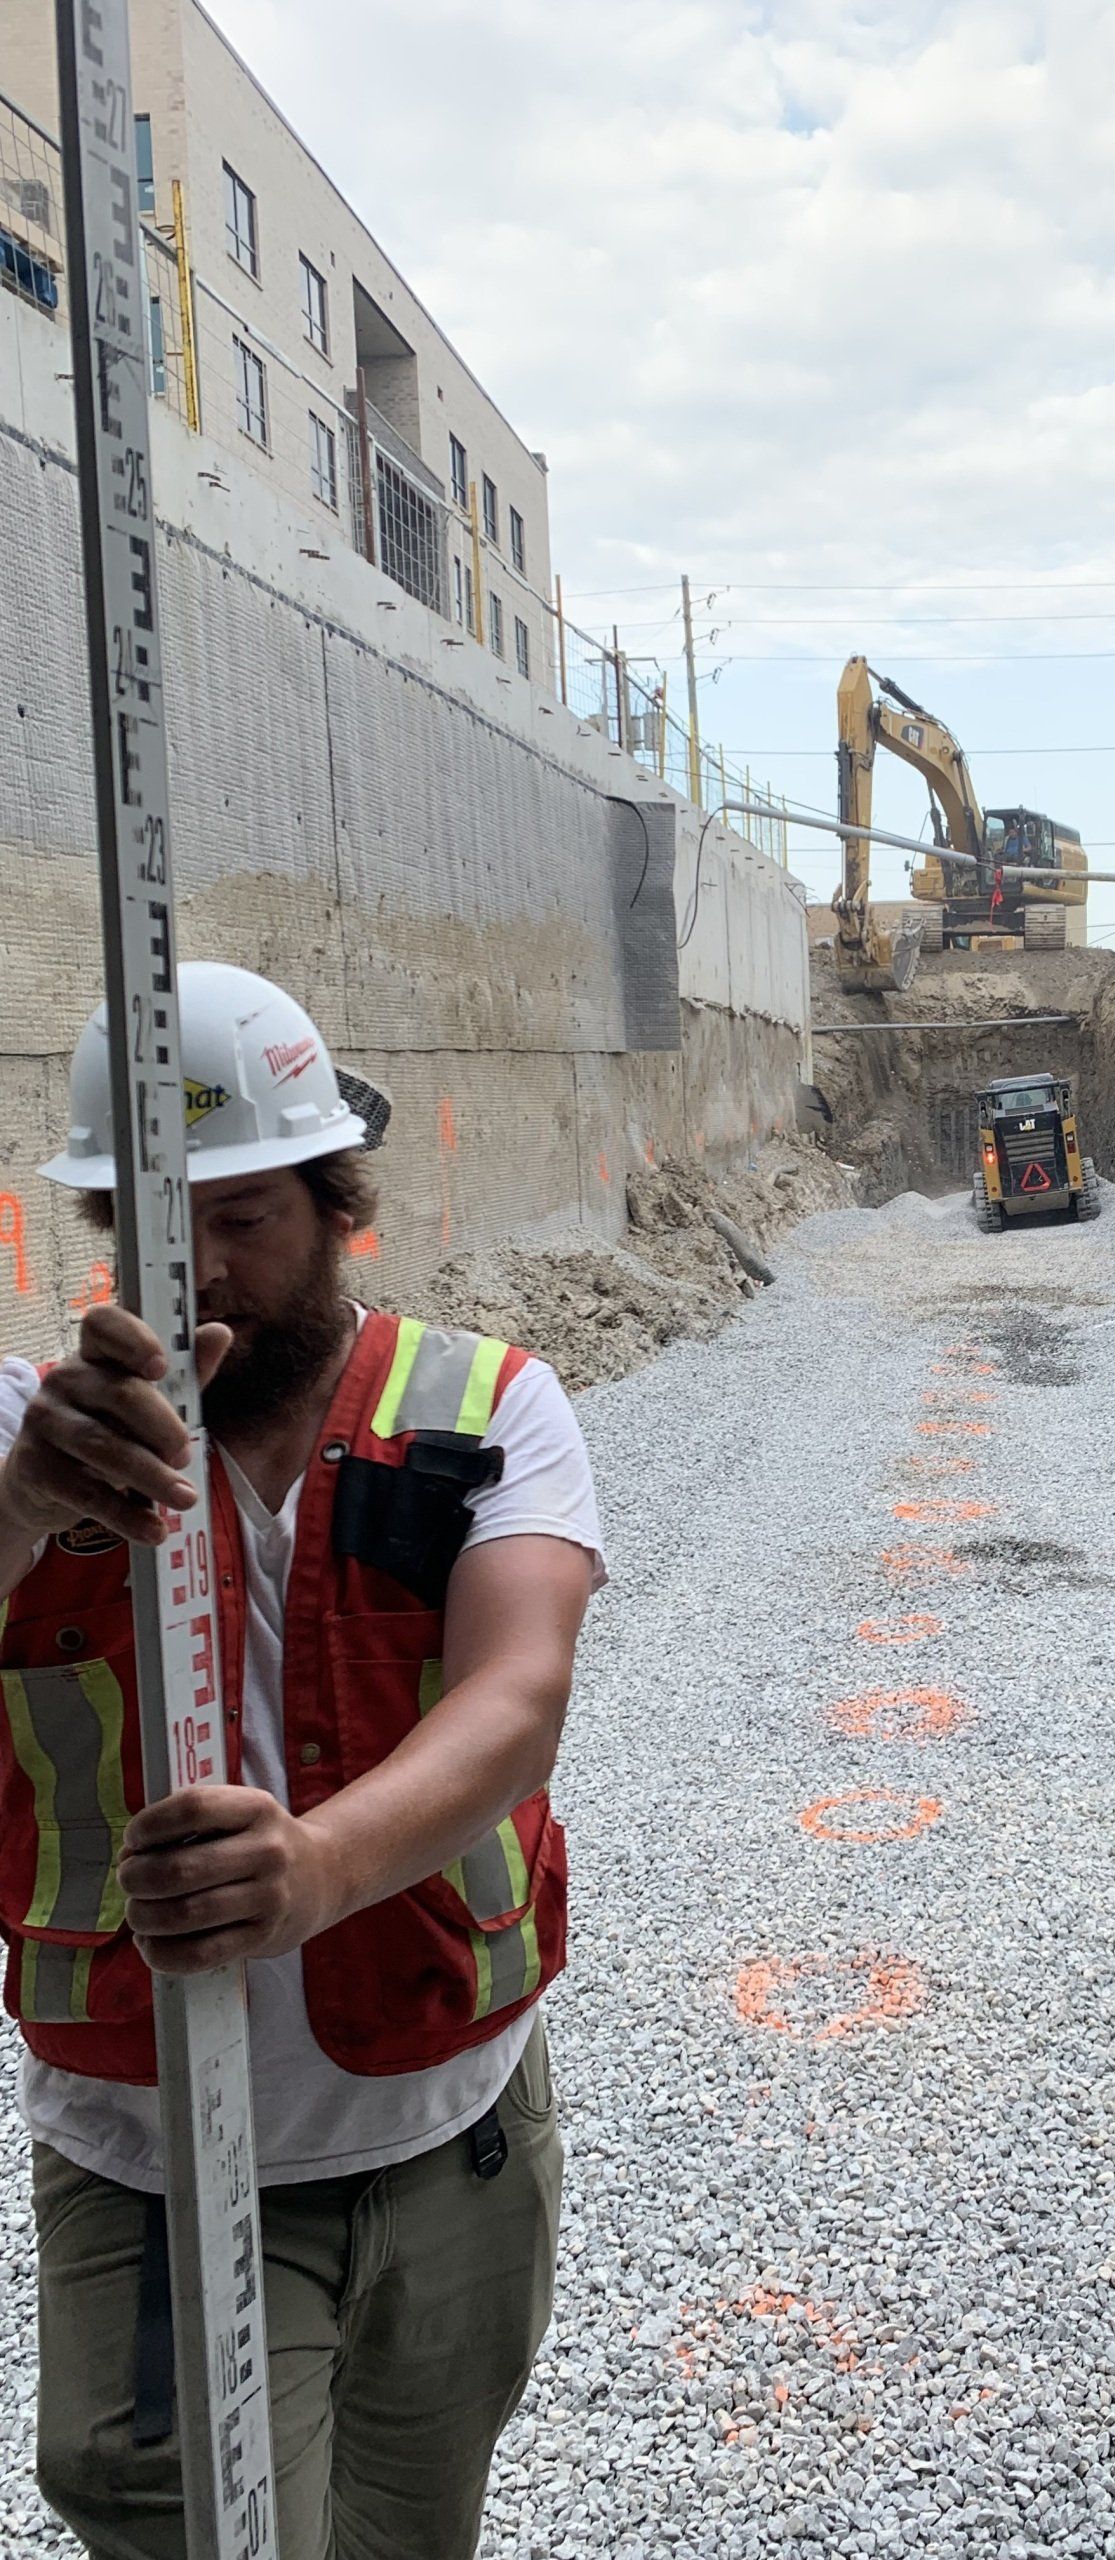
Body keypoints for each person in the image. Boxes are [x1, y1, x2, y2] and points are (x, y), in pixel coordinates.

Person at [0, 963, 602, 2560]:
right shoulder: (28, 1434)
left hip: (449, 2132)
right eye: (146, 1223)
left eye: (246, 1216)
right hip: (150, 2166)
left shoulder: (487, 1409)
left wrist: (320, 1868)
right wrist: (20, 1502)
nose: (194, 1265)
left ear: (342, 1207)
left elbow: (517, 1688)